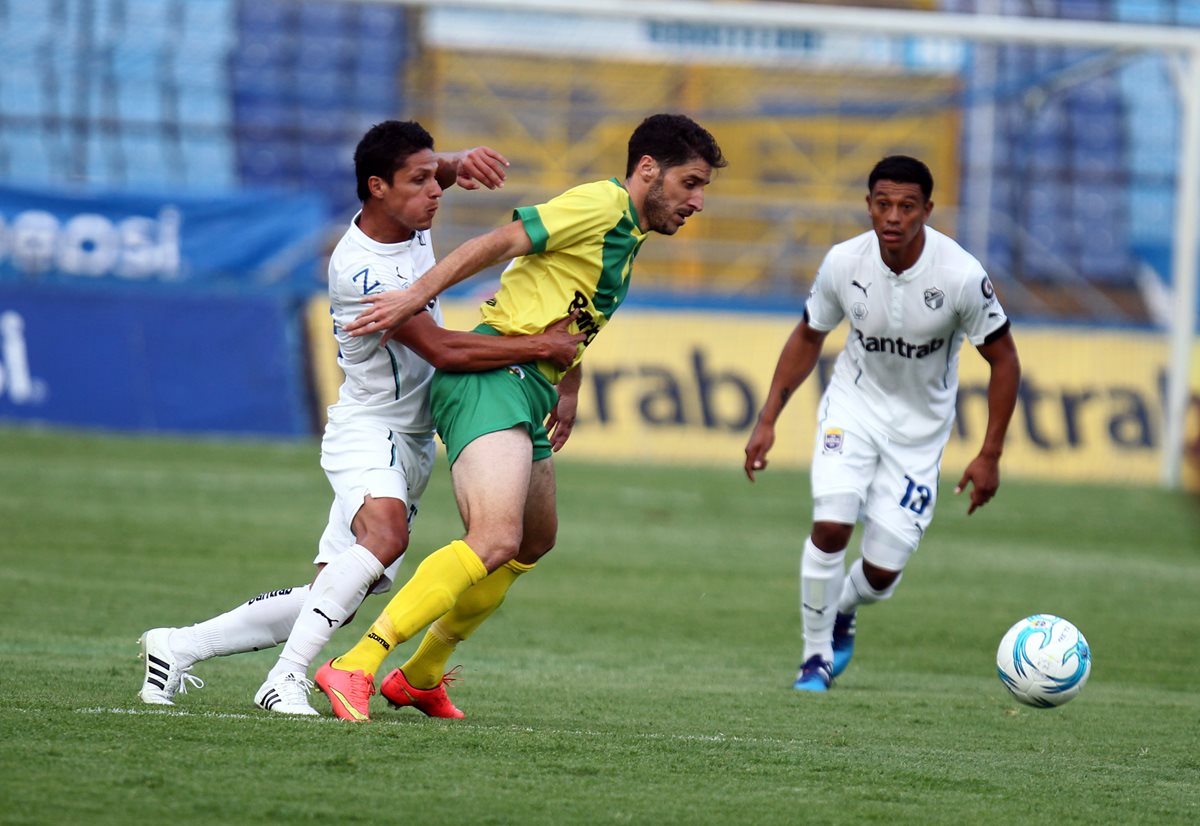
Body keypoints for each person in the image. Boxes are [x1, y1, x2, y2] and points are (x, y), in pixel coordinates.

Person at [138, 120, 584, 715]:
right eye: (420, 180)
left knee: (343, 587)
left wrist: (458, 161)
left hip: (412, 437)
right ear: (378, 187)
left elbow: (431, 172)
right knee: (386, 538)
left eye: (435, 178)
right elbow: (445, 351)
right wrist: (541, 349)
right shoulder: (367, 271)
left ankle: (179, 645)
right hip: (371, 428)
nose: (435, 191)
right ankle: (287, 678)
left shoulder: (408, 214)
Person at [311, 113, 727, 721]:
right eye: (689, 183)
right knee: (496, 537)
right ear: (647, 171)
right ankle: (357, 663)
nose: (696, 202)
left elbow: (550, 289)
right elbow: (498, 244)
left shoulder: (627, 231)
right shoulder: (600, 205)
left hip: (530, 385)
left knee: (533, 540)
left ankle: (422, 676)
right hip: (491, 381)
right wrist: (416, 294)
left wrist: (570, 380)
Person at [742, 155, 1021, 693]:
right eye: (883, 204)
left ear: (927, 210)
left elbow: (1004, 360)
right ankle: (815, 657)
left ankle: (842, 608)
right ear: (868, 205)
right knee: (831, 523)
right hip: (852, 407)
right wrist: (767, 418)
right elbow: (808, 334)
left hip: (920, 433)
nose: (894, 216)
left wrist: (990, 453)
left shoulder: (960, 275)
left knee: (881, 573)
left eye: (907, 206)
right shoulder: (844, 263)